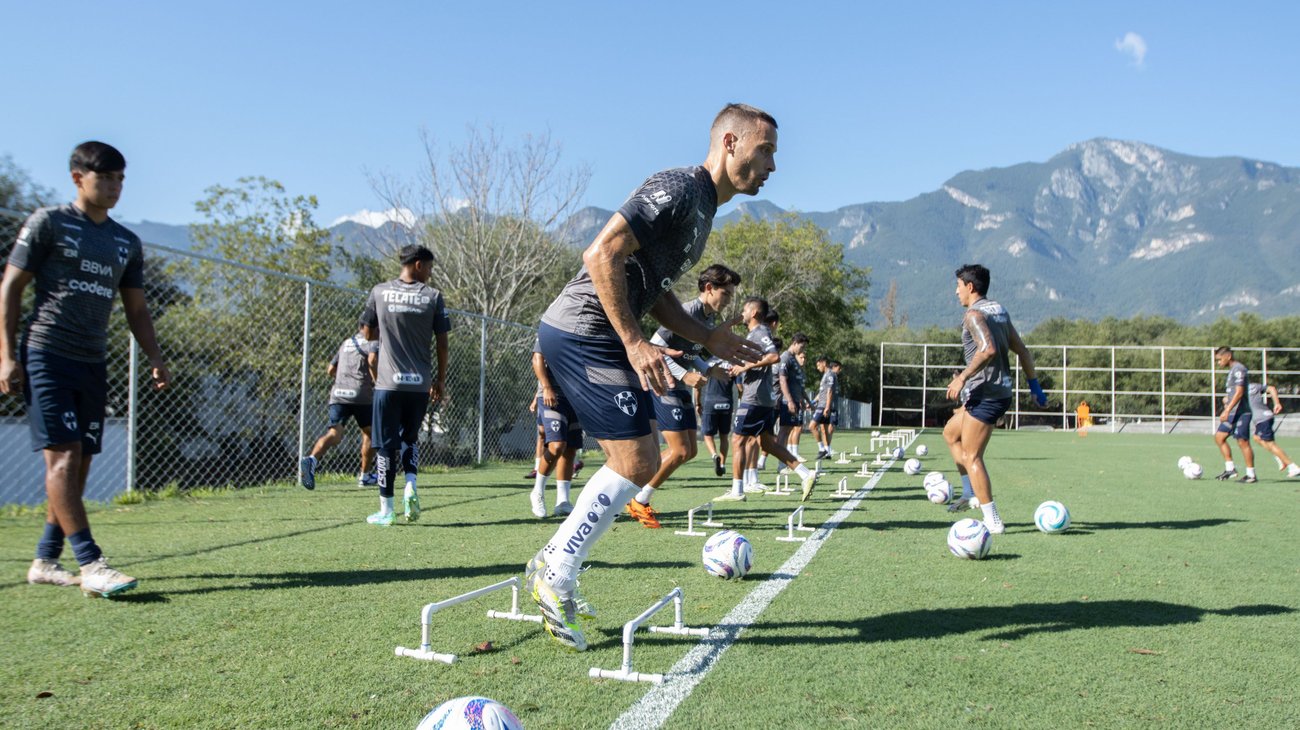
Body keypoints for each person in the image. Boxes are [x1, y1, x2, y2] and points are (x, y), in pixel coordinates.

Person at [525, 103, 776, 651]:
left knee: (635, 461)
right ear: (731, 143)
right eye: (766, 151)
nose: (773, 165)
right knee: (637, 461)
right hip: (582, 329)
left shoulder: (705, 209)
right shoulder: (680, 187)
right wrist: (636, 342)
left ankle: (554, 563)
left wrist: (708, 337)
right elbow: (601, 254)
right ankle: (555, 572)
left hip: (600, 332)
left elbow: (654, 287)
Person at [1, 141, 170, 597]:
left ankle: (44, 558)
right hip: (46, 354)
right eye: (105, 178)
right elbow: (11, 287)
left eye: (120, 179)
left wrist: (154, 356)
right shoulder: (49, 224)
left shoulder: (124, 242)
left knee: (81, 464)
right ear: (78, 178)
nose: (114, 187)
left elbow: (136, 309)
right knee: (64, 457)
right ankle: (91, 563)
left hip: (92, 362)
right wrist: (7, 354)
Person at [625, 264, 740, 528]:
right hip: (665, 383)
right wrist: (682, 375)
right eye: (727, 293)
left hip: (680, 386)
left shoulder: (709, 320)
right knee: (679, 450)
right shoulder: (687, 312)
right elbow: (656, 345)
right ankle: (638, 500)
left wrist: (708, 370)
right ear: (709, 288)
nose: (729, 300)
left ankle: (638, 496)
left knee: (690, 451)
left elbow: (692, 354)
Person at [943, 264, 1046, 534]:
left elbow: (987, 350)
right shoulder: (998, 310)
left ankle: (993, 519)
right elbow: (1022, 351)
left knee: (972, 455)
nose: (956, 291)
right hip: (997, 392)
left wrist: (961, 377)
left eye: (958, 286)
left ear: (970, 287)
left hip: (986, 394)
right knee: (951, 434)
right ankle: (969, 494)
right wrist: (1035, 386)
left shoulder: (973, 315)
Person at [359, 245, 450, 525]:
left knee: (386, 445)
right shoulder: (433, 297)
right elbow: (442, 341)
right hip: (419, 385)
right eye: (431, 268)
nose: (431, 275)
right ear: (419, 264)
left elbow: (366, 329)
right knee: (410, 439)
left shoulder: (380, 291)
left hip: (388, 384)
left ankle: (386, 510)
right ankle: (410, 483)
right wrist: (440, 379)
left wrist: (375, 349)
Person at [721, 297, 818, 502]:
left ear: (754, 312)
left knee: (737, 439)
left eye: (745, 309)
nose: (742, 313)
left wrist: (745, 367)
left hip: (754, 396)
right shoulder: (754, 333)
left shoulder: (760, 332)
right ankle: (805, 474)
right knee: (767, 443)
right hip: (763, 397)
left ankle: (737, 491)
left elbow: (773, 356)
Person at [300, 323, 380, 489]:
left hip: (338, 393)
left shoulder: (345, 343)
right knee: (371, 434)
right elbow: (372, 361)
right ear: (370, 328)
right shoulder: (373, 342)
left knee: (334, 434)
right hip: (361, 395)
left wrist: (345, 380)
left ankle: (312, 459)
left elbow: (330, 370)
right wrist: (377, 382)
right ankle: (365, 476)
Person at [530, 339, 580, 518]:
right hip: (553, 394)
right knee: (557, 445)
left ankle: (563, 502)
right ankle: (537, 491)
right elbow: (537, 358)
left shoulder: (584, 328)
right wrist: (546, 387)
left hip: (576, 396)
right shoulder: (552, 324)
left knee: (570, 450)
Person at [1212, 347, 1256, 483]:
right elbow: (1233, 392)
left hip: (1242, 412)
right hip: (1232, 412)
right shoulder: (1232, 370)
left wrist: (1227, 409)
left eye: (1219, 359)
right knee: (1219, 437)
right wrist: (1227, 400)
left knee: (1243, 442)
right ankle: (1230, 469)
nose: (1218, 363)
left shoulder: (1239, 369)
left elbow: (1239, 392)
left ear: (1228, 356)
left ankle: (1251, 475)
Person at [1248, 382, 1300, 478]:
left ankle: (1293, 467)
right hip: (1264, 416)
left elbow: (1271, 388)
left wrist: (1277, 403)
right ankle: (1280, 458)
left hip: (1262, 418)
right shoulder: (1252, 386)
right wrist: (1277, 403)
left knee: (1270, 444)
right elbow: (1271, 388)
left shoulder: (1242, 389)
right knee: (1257, 438)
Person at [699, 351, 736, 476]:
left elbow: (697, 384)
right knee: (724, 436)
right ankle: (723, 464)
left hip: (711, 402)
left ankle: (714, 456)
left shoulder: (706, 363)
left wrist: (697, 403)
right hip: (727, 403)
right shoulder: (732, 364)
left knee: (708, 435)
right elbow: (740, 387)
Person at [777, 333, 811, 464]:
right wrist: (790, 400)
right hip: (787, 402)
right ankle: (781, 463)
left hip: (795, 401)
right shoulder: (785, 357)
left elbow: (795, 383)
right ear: (795, 343)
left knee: (788, 431)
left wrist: (800, 400)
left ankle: (784, 461)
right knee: (784, 432)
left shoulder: (792, 359)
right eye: (801, 347)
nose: (802, 350)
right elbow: (783, 380)